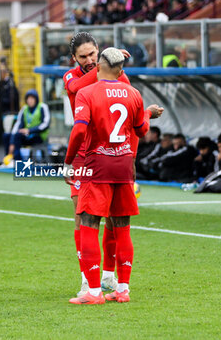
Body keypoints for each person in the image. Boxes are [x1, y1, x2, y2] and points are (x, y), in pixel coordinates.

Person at [64, 47, 164, 304]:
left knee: (88, 223)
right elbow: (141, 130)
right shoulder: (134, 93)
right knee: (122, 227)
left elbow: (78, 131)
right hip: (124, 166)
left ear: (99, 65)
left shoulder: (87, 92)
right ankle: (122, 289)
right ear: (121, 70)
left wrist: (68, 163)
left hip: (97, 165)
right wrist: (147, 114)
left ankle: (94, 291)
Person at [63, 32, 132, 297]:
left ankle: (108, 277)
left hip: (111, 156)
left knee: (115, 219)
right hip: (83, 155)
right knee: (82, 216)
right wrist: (106, 66)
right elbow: (75, 88)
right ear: (74, 58)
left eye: (94, 54)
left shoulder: (119, 76)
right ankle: (86, 278)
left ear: (98, 50)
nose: (90, 60)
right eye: (83, 56)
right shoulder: (71, 77)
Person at [2, 89, 50, 165]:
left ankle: (19, 163)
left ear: (36, 99)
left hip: (38, 136)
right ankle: (10, 159)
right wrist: (12, 142)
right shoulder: (24, 109)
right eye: (28, 98)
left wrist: (29, 130)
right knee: (6, 136)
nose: (30, 100)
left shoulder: (43, 107)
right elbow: (18, 125)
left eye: (32, 98)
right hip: (27, 136)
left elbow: (45, 124)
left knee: (17, 137)